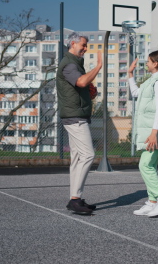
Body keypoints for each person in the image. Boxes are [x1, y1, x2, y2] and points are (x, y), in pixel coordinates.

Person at [128, 50, 158, 217]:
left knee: (145, 165)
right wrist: (129, 74)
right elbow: (136, 93)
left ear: (155, 63)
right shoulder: (152, 81)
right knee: (151, 167)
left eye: (148, 61)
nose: (146, 63)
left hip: (154, 132)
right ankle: (153, 202)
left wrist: (154, 133)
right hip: (150, 130)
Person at [57, 33, 101, 215]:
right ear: (73, 43)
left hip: (75, 115)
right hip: (75, 118)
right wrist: (98, 66)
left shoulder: (75, 64)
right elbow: (82, 81)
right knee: (88, 155)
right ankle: (75, 199)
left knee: (76, 158)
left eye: (86, 45)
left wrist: (89, 94)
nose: (85, 48)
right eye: (83, 45)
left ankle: (75, 198)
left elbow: (81, 86)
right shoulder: (69, 64)